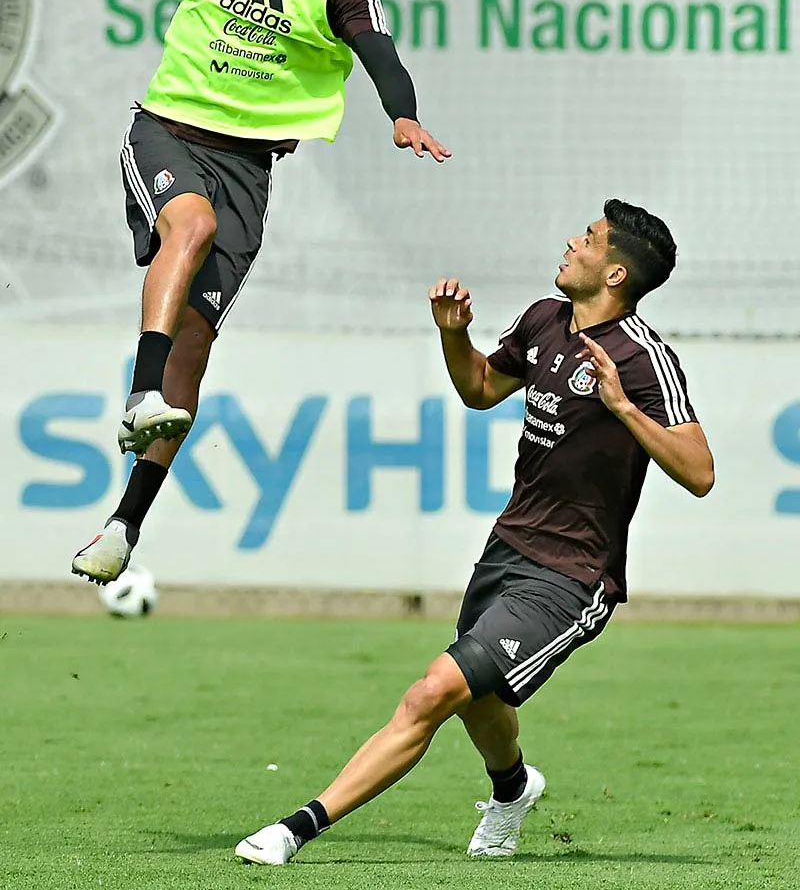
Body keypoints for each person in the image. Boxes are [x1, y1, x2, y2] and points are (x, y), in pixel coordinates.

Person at [234, 199, 715, 865]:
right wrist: (453, 334)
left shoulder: (642, 359)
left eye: (591, 239)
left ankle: (296, 828)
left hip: (572, 578)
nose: (573, 242)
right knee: (477, 696)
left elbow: (699, 472)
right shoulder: (546, 320)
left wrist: (622, 407)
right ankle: (512, 789)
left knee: (434, 691)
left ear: (615, 275)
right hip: (507, 547)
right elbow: (481, 388)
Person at [64, 0, 450, 585]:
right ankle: (140, 390)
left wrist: (401, 112)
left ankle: (123, 526)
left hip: (248, 170)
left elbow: (380, 52)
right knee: (192, 226)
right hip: (169, 133)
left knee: (198, 349)